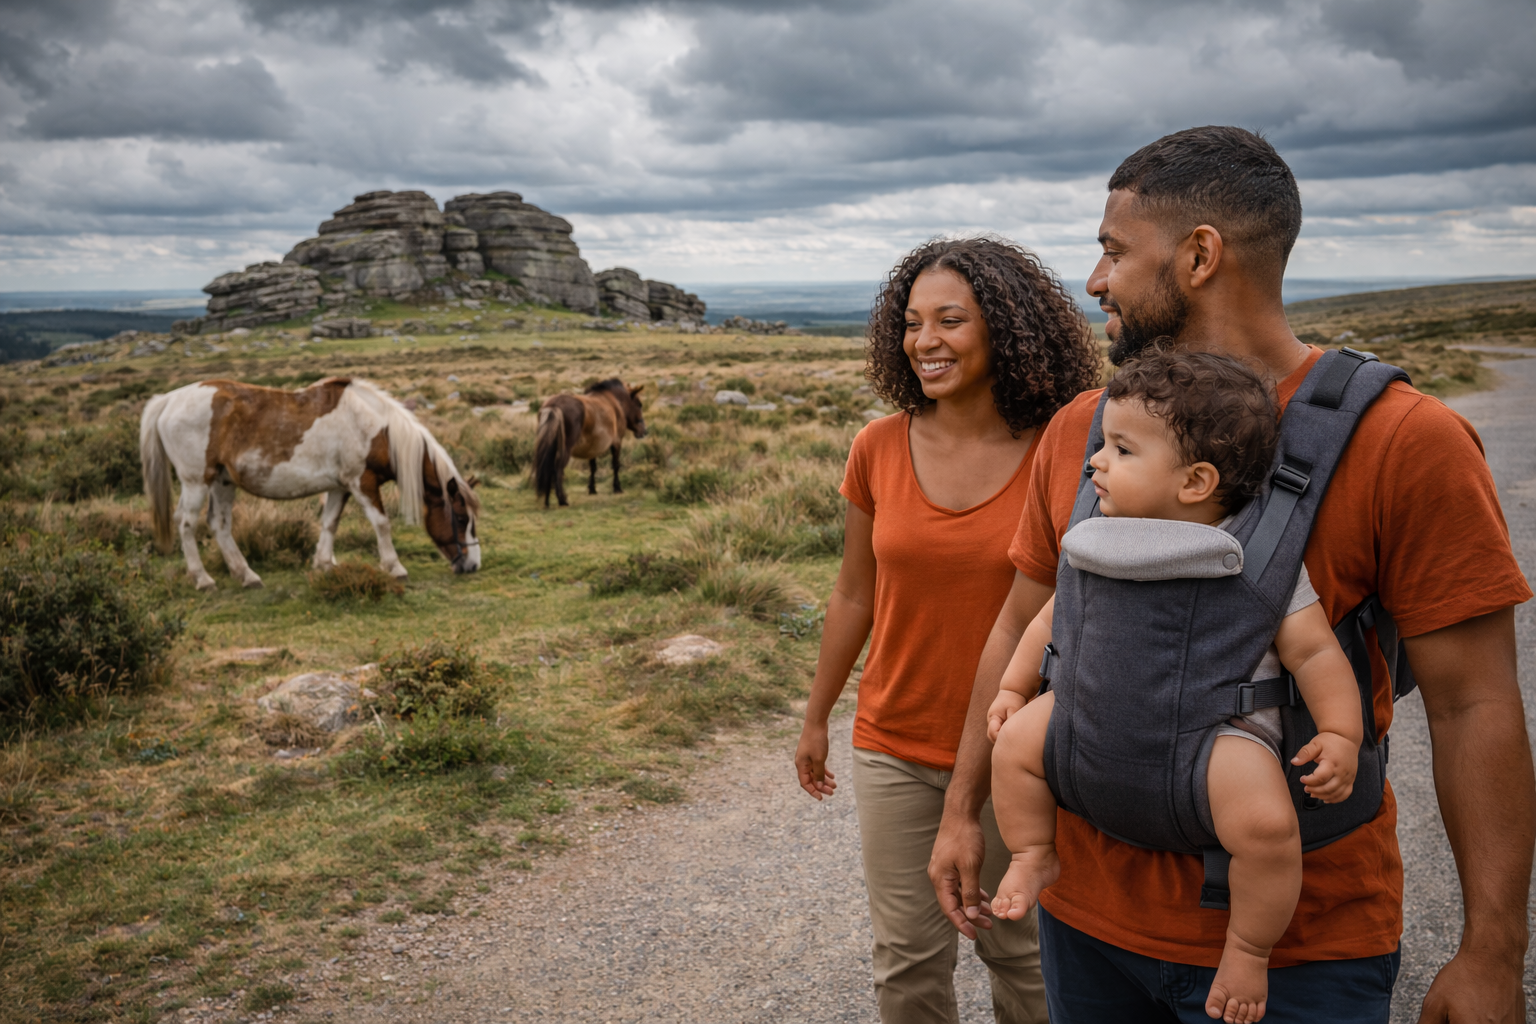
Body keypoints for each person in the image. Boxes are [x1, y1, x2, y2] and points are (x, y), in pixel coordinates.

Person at [927, 126, 1534, 1023]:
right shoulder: (1082, 432)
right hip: (1087, 920)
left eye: (1112, 251)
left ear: (1200, 255)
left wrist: (1494, 950)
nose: (1095, 281)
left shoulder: (1407, 443)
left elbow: (1473, 704)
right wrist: (964, 807)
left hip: (1303, 952)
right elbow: (1023, 628)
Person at [985, 350, 1365, 1023]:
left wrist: (1339, 733)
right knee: (1014, 745)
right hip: (1088, 716)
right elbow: (1053, 615)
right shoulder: (1098, 536)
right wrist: (1016, 688)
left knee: (1267, 828)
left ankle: (1247, 948)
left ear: (1195, 481)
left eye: (1122, 449)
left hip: (1216, 734)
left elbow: (1313, 653)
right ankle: (1033, 853)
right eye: (1103, 444)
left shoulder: (1256, 555)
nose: (1095, 460)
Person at [793, 236, 1101, 1023]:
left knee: (1022, 955)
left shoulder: (1061, 451)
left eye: (951, 321)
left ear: (1005, 328)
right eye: (911, 321)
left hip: (1020, 749)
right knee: (906, 964)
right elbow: (855, 596)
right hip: (893, 743)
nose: (924, 341)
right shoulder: (878, 446)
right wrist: (818, 715)